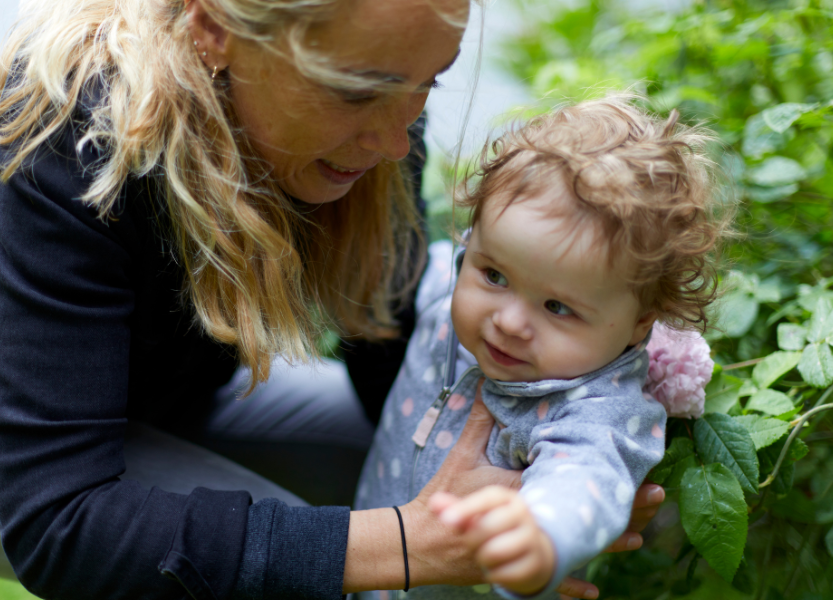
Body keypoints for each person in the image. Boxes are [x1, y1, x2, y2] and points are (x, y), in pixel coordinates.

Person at [0, 0, 664, 598]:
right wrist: (407, 545)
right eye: (354, 93)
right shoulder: (63, 138)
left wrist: (542, 492)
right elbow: (59, 521)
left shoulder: (378, 90)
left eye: (427, 81)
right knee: (309, 579)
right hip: (34, 465)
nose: (397, 141)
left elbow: (389, 347)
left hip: (170, 405)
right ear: (213, 28)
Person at [355, 97, 727, 599]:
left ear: (640, 322)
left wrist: (540, 536)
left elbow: (585, 481)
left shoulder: (595, 407)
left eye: (557, 307)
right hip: (368, 561)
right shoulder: (452, 284)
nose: (507, 321)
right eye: (495, 275)